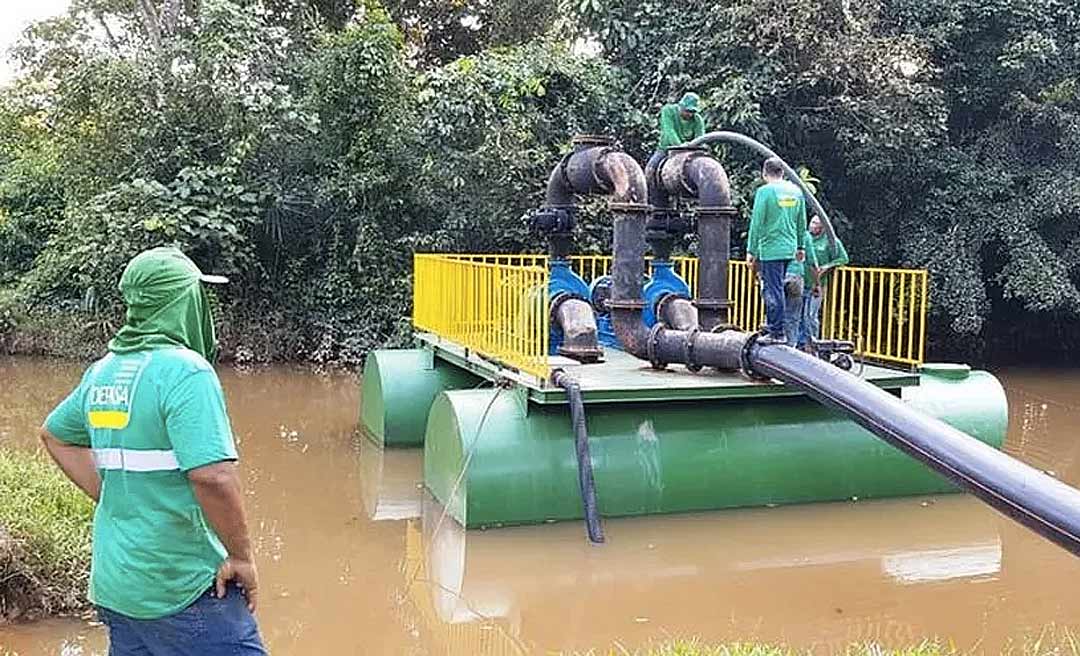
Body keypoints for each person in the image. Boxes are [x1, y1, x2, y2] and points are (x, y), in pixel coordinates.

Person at [39, 247, 267, 656]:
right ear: (183, 302)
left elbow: (56, 436)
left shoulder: (103, 371)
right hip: (180, 584)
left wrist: (118, 497)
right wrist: (242, 557)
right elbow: (213, 476)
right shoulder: (187, 371)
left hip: (118, 586)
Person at [747, 156, 807, 345]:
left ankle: (776, 331)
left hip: (771, 249)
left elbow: (757, 222)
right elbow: (801, 221)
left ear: (764, 174)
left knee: (773, 291)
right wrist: (800, 246)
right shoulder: (796, 191)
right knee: (778, 288)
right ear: (782, 172)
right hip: (789, 249)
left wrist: (751, 250)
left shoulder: (765, 192)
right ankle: (775, 327)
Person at [645, 92, 707, 182]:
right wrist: (680, 146)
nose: (690, 114)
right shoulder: (668, 111)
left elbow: (700, 139)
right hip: (666, 149)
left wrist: (693, 149)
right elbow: (669, 131)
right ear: (681, 106)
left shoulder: (698, 120)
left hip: (690, 152)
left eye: (693, 112)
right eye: (688, 111)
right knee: (650, 169)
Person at [807, 214, 850, 342]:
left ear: (823, 227)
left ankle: (813, 342)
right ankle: (801, 343)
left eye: (816, 224)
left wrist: (827, 266)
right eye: (812, 222)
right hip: (802, 281)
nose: (812, 226)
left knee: (811, 315)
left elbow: (843, 258)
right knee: (799, 315)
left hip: (818, 283)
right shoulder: (806, 237)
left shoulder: (831, 241)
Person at [784, 229, 819, 349]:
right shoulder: (804, 234)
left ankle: (773, 345)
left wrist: (757, 277)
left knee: (774, 312)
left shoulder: (776, 230)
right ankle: (790, 347)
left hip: (775, 276)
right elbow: (813, 264)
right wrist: (817, 284)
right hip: (795, 276)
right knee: (793, 316)